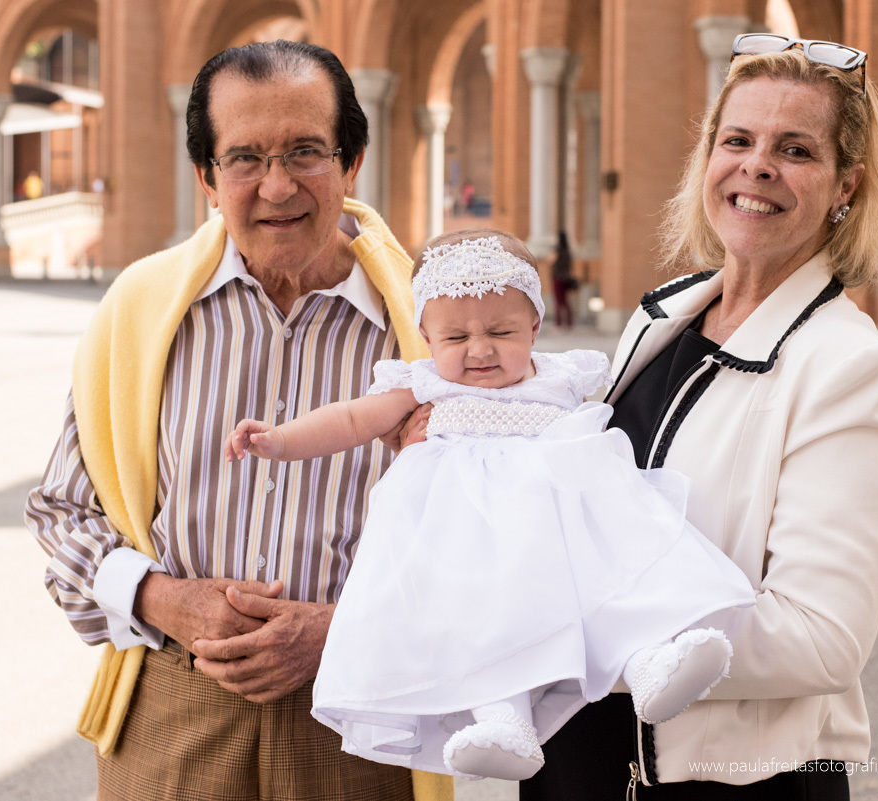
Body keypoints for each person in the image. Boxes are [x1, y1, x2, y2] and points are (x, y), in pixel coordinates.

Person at [24, 40, 449, 801]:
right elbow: (62, 512)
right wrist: (165, 600)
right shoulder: (141, 311)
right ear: (207, 179)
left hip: (358, 721)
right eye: (244, 158)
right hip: (171, 717)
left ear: (352, 162)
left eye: (306, 152)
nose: (277, 184)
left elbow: (489, 542)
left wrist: (338, 628)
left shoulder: (431, 328)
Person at [519, 35, 878, 800]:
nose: (757, 166)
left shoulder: (850, 370)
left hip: (726, 781)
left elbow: (822, 638)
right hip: (582, 760)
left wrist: (589, 627)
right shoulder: (665, 317)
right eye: (737, 139)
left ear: (847, 185)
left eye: (796, 149)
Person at [225, 229, 755, 781]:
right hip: (468, 537)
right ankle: (504, 721)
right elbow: (353, 420)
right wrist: (279, 440)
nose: (479, 350)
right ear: (426, 337)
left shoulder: (561, 376)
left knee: (615, 569)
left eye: (501, 331)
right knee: (481, 621)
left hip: (561, 521)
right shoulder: (426, 386)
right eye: (455, 337)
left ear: (534, 327)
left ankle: (651, 663)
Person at [549, 230, 578, 328]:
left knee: (558, 302)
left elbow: (552, 261)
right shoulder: (568, 251)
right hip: (566, 279)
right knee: (565, 302)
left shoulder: (557, 250)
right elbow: (570, 266)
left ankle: (559, 323)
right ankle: (569, 322)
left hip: (558, 278)